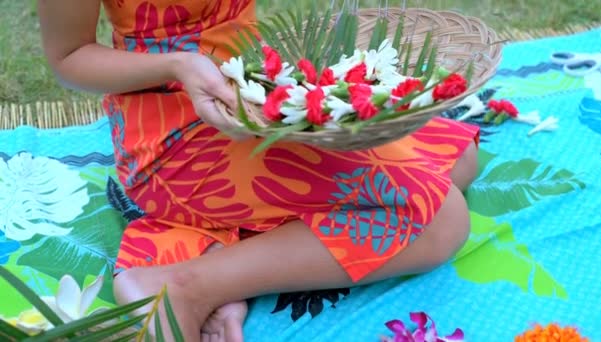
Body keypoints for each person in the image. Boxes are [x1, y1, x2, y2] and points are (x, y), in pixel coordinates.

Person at [38, 0, 479, 341]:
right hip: (173, 138)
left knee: (457, 154)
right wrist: (178, 63)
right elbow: (69, 56)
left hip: (255, 98)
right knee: (440, 217)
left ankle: (230, 259)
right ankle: (187, 287)